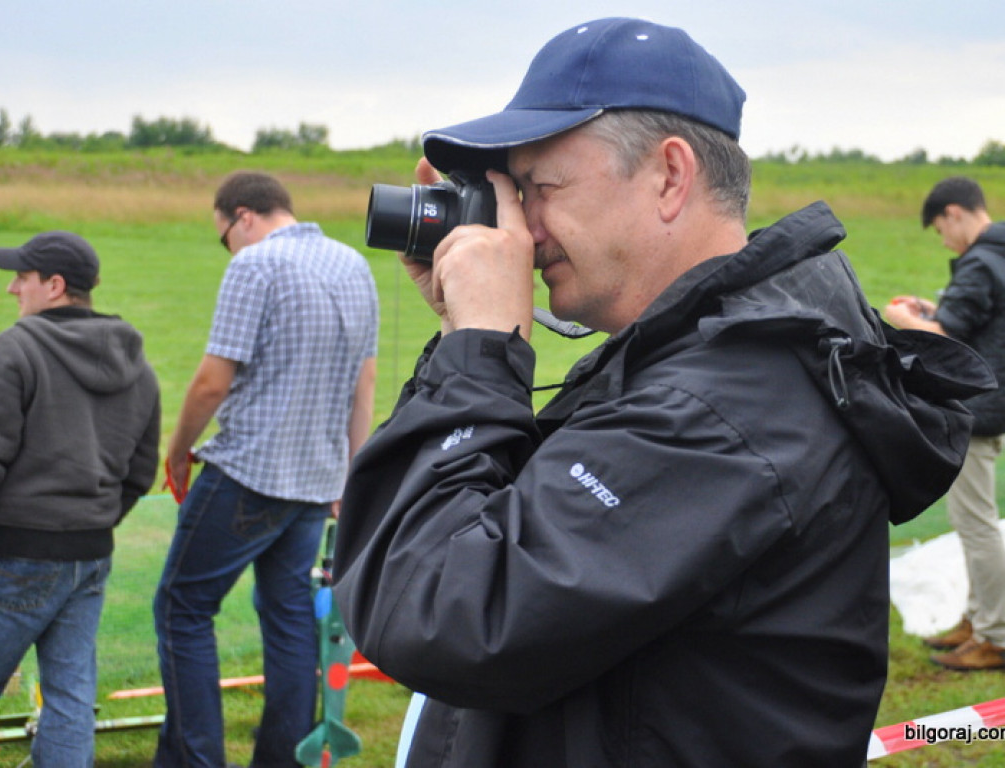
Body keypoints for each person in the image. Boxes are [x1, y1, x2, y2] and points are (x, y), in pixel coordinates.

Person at [332, 18, 993, 768]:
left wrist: (479, 352)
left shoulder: (727, 408)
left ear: (671, 177)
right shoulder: (698, 358)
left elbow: (440, 611)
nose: (527, 229)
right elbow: (482, 538)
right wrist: (465, 329)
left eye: (539, 188)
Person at [153, 171, 379, 768]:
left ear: (243, 216)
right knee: (289, 625)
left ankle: (194, 759)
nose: (227, 245)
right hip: (315, 484)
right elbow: (365, 388)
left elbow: (211, 381)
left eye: (222, 234)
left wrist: (178, 453)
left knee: (181, 608)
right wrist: (348, 479)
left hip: (248, 473)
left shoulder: (253, 266)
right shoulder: (353, 266)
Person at [0, 231, 160, 767]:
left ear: (54, 285)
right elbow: (140, 473)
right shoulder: (139, 367)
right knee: (71, 696)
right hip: (90, 555)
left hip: (14, 554)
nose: (13, 288)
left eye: (22, 277)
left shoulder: (16, 347)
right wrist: (93, 520)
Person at [885, 176, 1005, 670]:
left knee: (976, 525)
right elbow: (976, 320)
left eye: (940, 229)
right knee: (971, 520)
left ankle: (995, 635)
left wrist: (901, 317)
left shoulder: (981, 260)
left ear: (954, 213)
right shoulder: (998, 254)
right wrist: (936, 310)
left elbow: (949, 335)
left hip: (978, 407)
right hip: (992, 399)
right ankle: (976, 620)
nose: (943, 240)